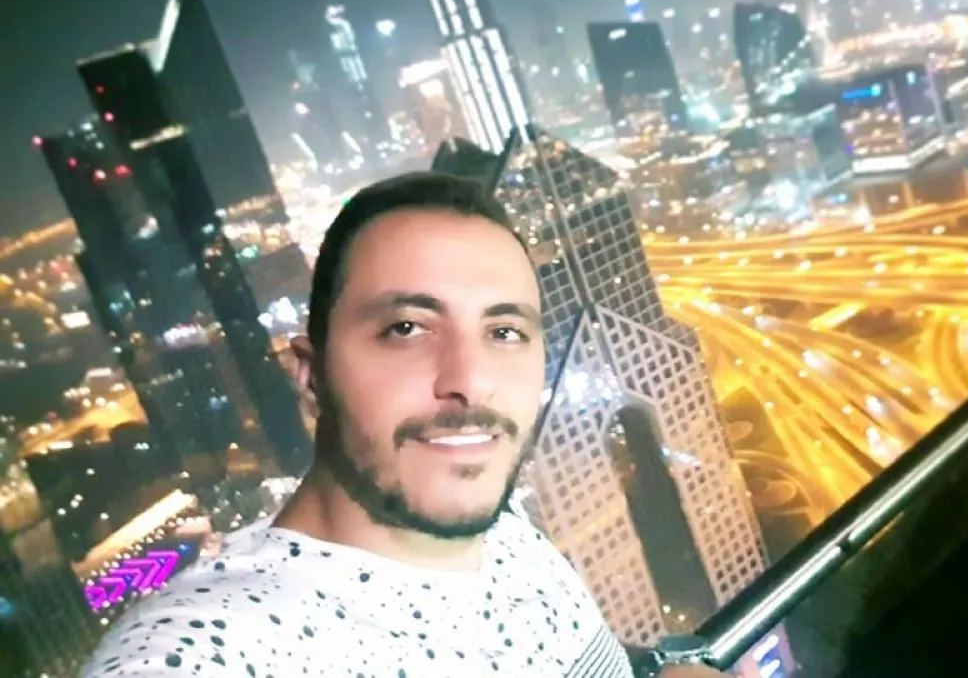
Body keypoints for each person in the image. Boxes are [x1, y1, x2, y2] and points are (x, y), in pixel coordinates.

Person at [82, 172, 720, 677]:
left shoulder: (504, 531)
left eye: (504, 331)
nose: (469, 379)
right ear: (311, 375)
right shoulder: (216, 647)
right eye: (407, 328)